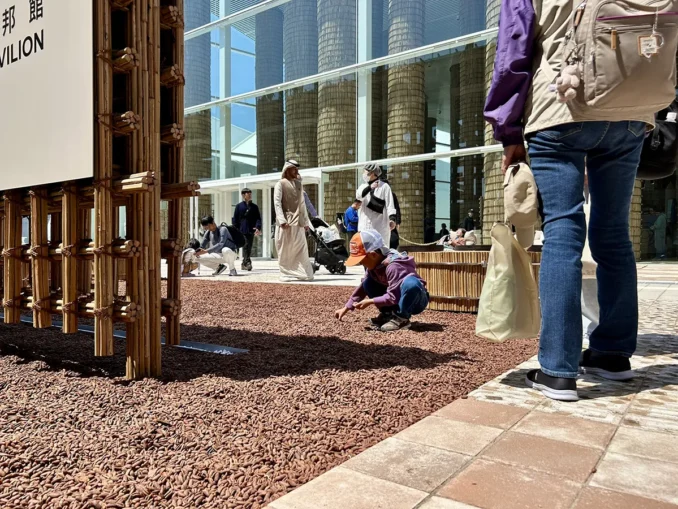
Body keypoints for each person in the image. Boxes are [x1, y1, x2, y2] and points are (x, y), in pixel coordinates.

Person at [484, 0, 660, 400]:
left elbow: (513, 49)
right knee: (614, 232)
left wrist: (508, 131)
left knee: (562, 229)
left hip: (561, 105)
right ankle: (612, 354)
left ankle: (558, 369)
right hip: (631, 109)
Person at [334, 230, 428, 332]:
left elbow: (393, 296)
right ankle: (388, 314)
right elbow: (362, 288)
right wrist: (346, 308)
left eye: (361, 261)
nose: (361, 264)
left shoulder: (393, 266)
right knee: (368, 283)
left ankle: (401, 318)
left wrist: (370, 301)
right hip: (396, 297)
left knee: (411, 284)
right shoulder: (374, 266)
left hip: (416, 300)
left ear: (373, 255)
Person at [274, 160, 314, 281]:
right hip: (286, 223)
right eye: (294, 169)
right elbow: (277, 203)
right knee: (285, 249)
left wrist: (306, 222)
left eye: (297, 169)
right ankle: (285, 273)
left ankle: (305, 273)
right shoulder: (280, 184)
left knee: (301, 248)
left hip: (299, 222)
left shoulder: (298, 185)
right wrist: (282, 220)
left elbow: (302, 205)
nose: (297, 171)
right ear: (287, 170)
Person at [356, 164, 396, 246]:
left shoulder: (384, 187)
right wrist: (370, 187)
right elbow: (359, 196)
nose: (363, 174)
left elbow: (390, 205)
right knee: (365, 251)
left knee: (380, 251)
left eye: (365, 172)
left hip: (380, 227)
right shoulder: (363, 186)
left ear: (372, 173)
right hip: (364, 227)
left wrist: (392, 219)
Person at [232, 188, 262, 272]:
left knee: (249, 246)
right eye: (248, 194)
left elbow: (258, 218)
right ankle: (247, 262)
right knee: (246, 245)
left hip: (251, 229)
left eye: (250, 194)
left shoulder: (254, 207)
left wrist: (258, 227)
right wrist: (235, 229)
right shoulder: (239, 206)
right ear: (243, 195)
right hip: (241, 229)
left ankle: (244, 263)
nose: (249, 195)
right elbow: (235, 218)